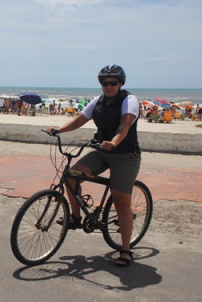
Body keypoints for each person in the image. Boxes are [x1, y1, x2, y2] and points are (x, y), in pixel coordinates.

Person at [47, 65, 141, 267]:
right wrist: (58, 130)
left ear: (121, 83)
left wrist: (114, 142)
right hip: (102, 152)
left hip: (125, 155)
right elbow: (79, 120)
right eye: (104, 83)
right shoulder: (98, 101)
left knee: (121, 203)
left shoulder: (129, 100)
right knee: (71, 174)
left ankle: (125, 249)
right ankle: (75, 216)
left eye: (113, 83)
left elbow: (125, 125)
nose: (108, 87)